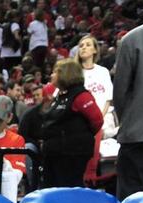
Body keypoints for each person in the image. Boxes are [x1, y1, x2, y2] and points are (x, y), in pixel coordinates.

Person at [40, 58, 103, 188]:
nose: (52, 75)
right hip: (55, 152)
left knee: (67, 187)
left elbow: (97, 120)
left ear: (66, 74)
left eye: (55, 72)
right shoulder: (61, 95)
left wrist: (80, 136)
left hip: (72, 154)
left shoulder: (81, 96)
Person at [113, 1, 143, 198]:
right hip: (138, 132)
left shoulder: (132, 38)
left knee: (131, 199)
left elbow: (120, 91)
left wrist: (127, 121)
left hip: (137, 132)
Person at [76, 35, 113, 122]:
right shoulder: (75, 73)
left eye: (88, 45)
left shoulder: (103, 71)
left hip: (104, 119)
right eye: (81, 46)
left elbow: (108, 98)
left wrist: (99, 119)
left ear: (95, 50)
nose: (84, 47)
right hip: (82, 122)